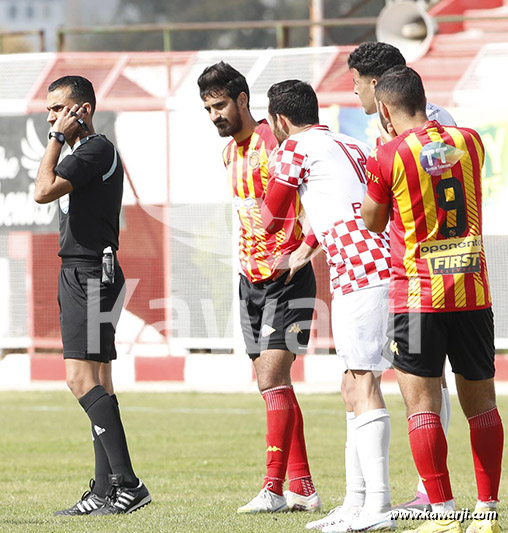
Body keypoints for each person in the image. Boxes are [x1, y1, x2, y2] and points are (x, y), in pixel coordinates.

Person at [361, 65, 503, 533]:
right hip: (472, 292)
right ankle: (486, 512)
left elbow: (374, 222)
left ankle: (442, 515)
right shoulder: (471, 141)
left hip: (418, 296)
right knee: (483, 406)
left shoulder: (387, 155)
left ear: (384, 109)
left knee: (422, 407)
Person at [262, 79, 395, 533]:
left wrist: (287, 215)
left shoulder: (294, 147)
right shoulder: (350, 141)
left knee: (363, 383)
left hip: (362, 274)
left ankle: (377, 506)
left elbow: (269, 218)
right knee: (352, 385)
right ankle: (355, 502)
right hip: (382, 264)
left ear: (280, 120)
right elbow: (354, 204)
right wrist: (311, 244)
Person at [197, 62, 321, 514]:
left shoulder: (276, 145)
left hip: (287, 281)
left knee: (271, 378)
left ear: (243, 100)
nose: (214, 115)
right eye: (208, 108)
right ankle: (303, 487)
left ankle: (271, 489)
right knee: (275, 384)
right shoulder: (230, 152)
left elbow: (316, 209)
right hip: (249, 281)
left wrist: (303, 251)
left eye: (220, 105)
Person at [34, 75, 151, 516]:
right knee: (99, 381)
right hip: (87, 272)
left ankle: (129, 484)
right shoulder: (82, 153)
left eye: (58, 109)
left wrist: (53, 140)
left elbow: (42, 191)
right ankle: (105, 491)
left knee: (79, 380)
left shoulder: (94, 148)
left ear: (81, 110)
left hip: (89, 275)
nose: (51, 117)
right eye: (48, 110)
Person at [348, 40, 455, 516]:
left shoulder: (420, 127)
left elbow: (394, 203)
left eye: (355, 83)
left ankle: (431, 493)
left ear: (376, 85)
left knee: (423, 382)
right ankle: (431, 491)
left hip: (417, 272)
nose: (354, 93)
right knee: (430, 381)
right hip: (435, 268)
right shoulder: (432, 118)